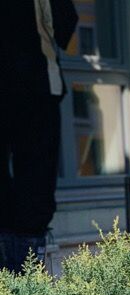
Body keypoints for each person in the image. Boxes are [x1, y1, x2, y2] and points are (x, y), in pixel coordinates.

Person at [0, 0, 78, 273]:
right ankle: (26, 277)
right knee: (35, 183)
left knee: (34, 185)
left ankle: (23, 276)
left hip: (35, 87)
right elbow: (63, 27)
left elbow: (63, 27)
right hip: (35, 86)